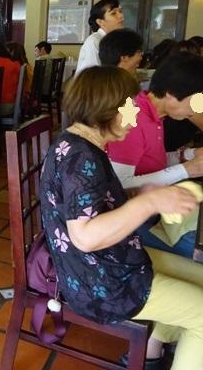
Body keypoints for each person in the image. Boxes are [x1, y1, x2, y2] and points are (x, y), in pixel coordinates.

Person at [41, 65, 203, 370]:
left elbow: (95, 202)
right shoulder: (81, 157)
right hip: (98, 282)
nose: (134, 117)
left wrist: (142, 194)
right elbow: (85, 237)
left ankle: (155, 350)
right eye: (128, 109)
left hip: (110, 260)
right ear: (104, 110)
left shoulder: (80, 143)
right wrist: (150, 201)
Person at [107, 52, 203, 258]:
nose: (199, 109)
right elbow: (120, 183)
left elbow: (151, 161)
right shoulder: (132, 119)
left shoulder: (153, 113)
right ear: (171, 93)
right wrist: (185, 170)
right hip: (131, 220)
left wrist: (189, 154)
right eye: (196, 101)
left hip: (154, 205)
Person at [75, 0, 124, 76]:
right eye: (113, 13)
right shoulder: (94, 41)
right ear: (100, 22)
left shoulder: (114, 41)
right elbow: (93, 76)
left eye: (120, 11)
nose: (121, 16)